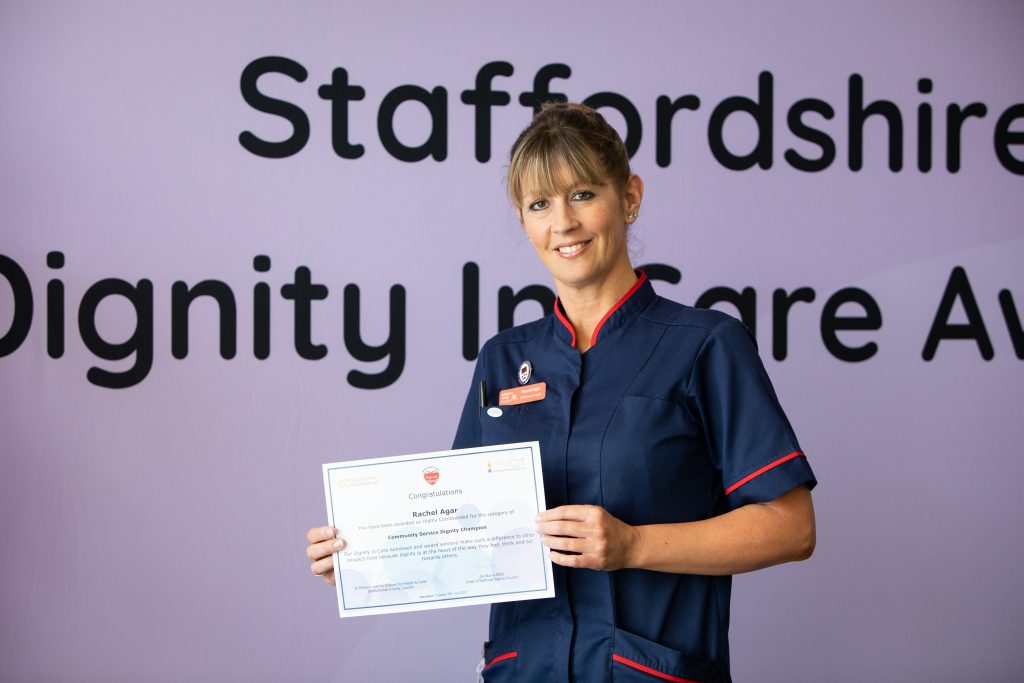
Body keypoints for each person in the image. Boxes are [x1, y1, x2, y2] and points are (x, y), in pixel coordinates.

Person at [306, 102, 816, 683]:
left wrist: (633, 545)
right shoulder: (503, 360)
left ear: (629, 196)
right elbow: (458, 532)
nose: (562, 224)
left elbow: (792, 526)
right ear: (523, 221)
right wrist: (364, 559)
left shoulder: (705, 347)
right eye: (539, 204)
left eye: (582, 195)